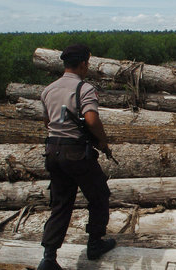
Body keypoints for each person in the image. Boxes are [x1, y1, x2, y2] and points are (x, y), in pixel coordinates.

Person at [37, 44, 116, 270]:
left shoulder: (48, 90)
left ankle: (49, 258)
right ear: (82, 64)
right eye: (87, 63)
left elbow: (47, 122)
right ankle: (95, 244)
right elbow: (91, 120)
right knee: (99, 195)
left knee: (61, 204)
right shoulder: (84, 89)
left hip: (53, 151)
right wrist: (102, 141)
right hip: (76, 153)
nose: (87, 67)